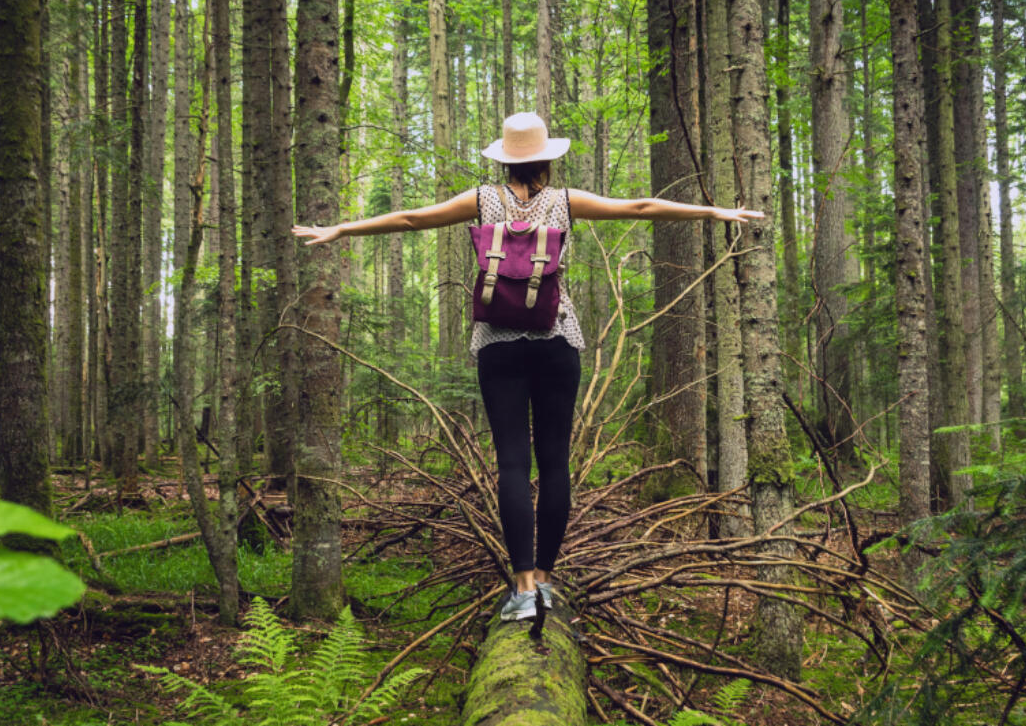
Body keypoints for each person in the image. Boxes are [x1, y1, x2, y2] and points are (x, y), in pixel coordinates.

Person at [293, 112, 763, 621]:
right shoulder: (565, 202)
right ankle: (545, 581)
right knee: (555, 462)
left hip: (498, 343)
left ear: (504, 159)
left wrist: (340, 229)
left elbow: (409, 219)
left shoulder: (480, 200)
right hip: (557, 338)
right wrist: (714, 213)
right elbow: (642, 206)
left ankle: (521, 589)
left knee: (512, 463)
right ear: (547, 158)